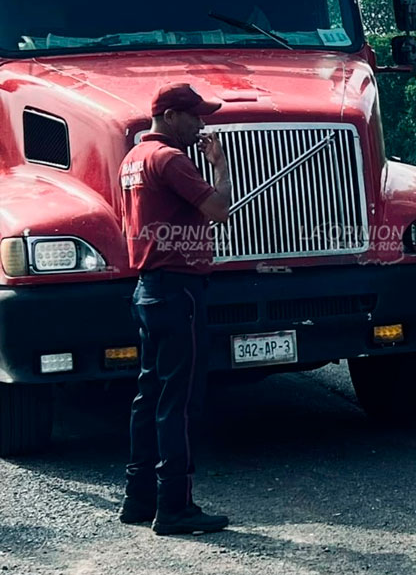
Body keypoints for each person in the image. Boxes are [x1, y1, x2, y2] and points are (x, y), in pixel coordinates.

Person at [118, 83, 233, 535]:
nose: (201, 123)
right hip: (180, 289)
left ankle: (138, 497)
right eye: (194, 115)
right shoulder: (171, 159)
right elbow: (219, 209)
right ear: (170, 116)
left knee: (148, 396)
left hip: (147, 288)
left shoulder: (133, 159)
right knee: (180, 401)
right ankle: (175, 506)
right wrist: (219, 165)